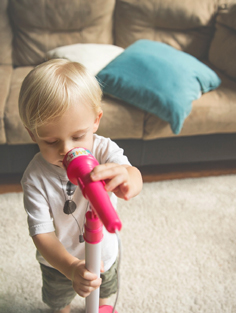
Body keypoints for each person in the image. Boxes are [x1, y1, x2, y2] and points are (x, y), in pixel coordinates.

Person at [19, 58, 143, 313]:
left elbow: (134, 175)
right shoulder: (35, 177)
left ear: (96, 120)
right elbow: (41, 233)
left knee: (106, 290)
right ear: (33, 135)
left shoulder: (104, 149)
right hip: (60, 262)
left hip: (104, 254)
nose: (67, 150)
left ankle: (103, 307)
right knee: (59, 300)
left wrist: (127, 178)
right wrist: (70, 268)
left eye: (78, 136)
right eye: (51, 141)